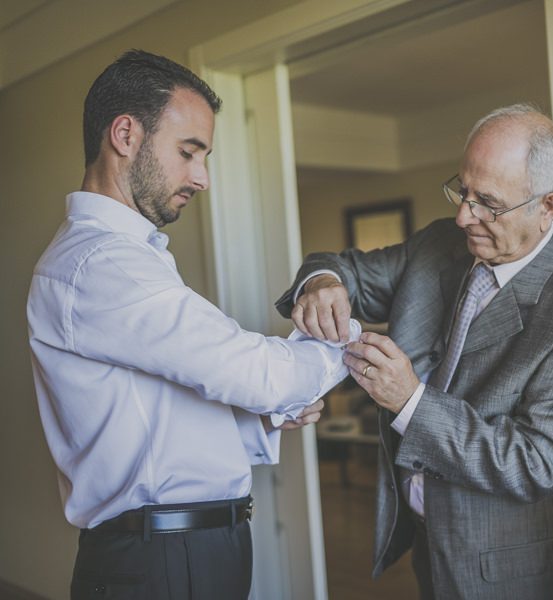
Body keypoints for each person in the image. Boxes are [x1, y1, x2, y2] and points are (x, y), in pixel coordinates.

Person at [27, 50, 352, 600]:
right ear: (125, 134)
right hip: (160, 562)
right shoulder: (102, 264)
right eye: (188, 152)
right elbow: (254, 372)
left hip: (182, 552)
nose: (202, 178)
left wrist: (266, 422)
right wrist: (347, 342)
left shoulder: (128, 257)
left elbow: (157, 423)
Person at [276, 104, 553, 599]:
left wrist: (409, 401)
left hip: (507, 567)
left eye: (488, 202)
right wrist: (322, 283)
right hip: (428, 542)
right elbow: (341, 267)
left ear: (547, 206)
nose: (464, 215)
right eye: (461, 190)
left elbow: (537, 463)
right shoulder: (440, 245)